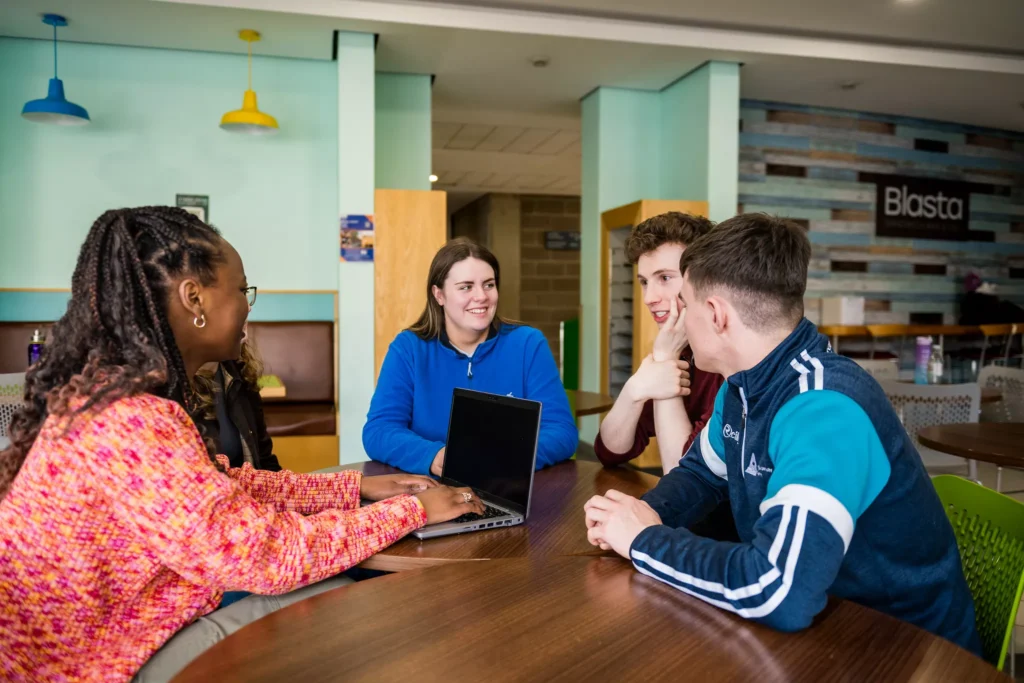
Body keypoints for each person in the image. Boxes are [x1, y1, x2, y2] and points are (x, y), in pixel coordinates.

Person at [0, 207, 485, 682]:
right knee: (340, 591)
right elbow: (266, 555)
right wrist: (413, 512)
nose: (248, 304)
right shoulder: (130, 420)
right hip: (97, 662)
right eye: (241, 290)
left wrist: (354, 489)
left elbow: (221, 486)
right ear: (195, 299)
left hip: (104, 633)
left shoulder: (111, 394)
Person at [584, 213, 981, 654]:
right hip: (828, 625)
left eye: (686, 303)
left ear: (716, 315)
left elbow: (780, 590)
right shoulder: (744, 385)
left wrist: (643, 541)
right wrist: (635, 514)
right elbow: (700, 474)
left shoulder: (824, 410)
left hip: (901, 650)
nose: (676, 318)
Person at [364, 238, 578, 476]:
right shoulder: (408, 349)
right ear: (439, 295)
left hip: (508, 487)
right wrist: (434, 456)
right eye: (466, 287)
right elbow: (379, 430)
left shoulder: (528, 344)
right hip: (431, 492)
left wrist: (505, 456)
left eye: (489, 285)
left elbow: (561, 431)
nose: (481, 297)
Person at [594, 212, 722, 474]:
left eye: (664, 278)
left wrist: (665, 357)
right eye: (644, 282)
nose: (649, 298)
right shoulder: (682, 347)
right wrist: (633, 389)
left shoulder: (729, 360)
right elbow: (610, 450)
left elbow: (684, 476)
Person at [191, 339, 283, 471]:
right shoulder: (168, 389)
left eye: (246, 320)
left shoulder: (241, 371)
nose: (245, 334)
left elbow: (264, 460)